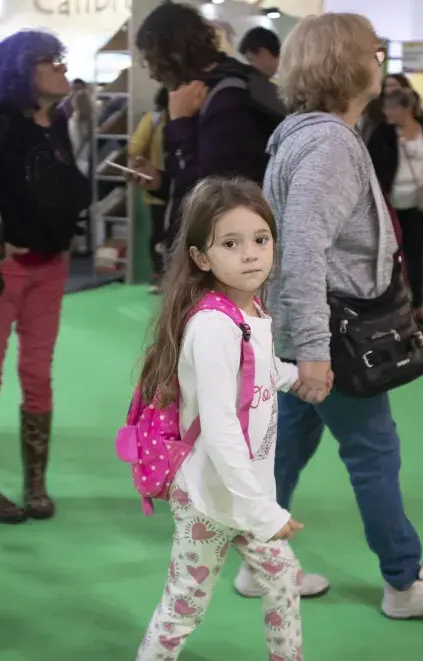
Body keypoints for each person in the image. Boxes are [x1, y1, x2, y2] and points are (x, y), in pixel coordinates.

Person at [260, 12, 423, 618]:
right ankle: (407, 582)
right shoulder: (328, 144)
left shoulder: (307, 135)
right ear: (351, 63)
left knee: (287, 446)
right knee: (373, 453)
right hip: (334, 334)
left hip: (312, 329)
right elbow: (302, 252)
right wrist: (312, 352)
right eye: (375, 52)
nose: (381, 62)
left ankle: (262, 560)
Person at [135, 176, 314, 660]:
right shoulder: (212, 327)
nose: (251, 254)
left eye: (261, 240)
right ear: (200, 257)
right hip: (209, 501)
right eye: (231, 244)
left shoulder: (248, 308)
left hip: (241, 494)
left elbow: (255, 371)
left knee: (281, 578)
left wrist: (294, 376)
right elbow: (219, 430)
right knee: (183, 609)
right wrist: (262, 511)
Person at [0, 30, 91, 524]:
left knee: (38, 375)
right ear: (22, 69)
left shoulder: (55, 122)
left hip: (49, 265)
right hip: (1, 268)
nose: (61, 68)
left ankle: (36, 484)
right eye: (50, 61)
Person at [129, 1, 285, 257]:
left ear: (171, 54)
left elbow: (215, 193)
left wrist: (180, 124)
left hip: (221, 254)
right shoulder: (223, 87)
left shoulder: (227, 98)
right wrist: (161, 180)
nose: (153, 73)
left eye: (151, 60)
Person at [366, 87, 423, 325]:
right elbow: (371, 164)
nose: (386, 112)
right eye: (385, 107)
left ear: (406, 109)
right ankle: (392, 303)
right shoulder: (382, 133)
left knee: (415, 252)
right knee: (389, 253)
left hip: (420, 201)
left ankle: (418, 303)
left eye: (391, 107)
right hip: (390, 202)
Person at [129, 86, 170, 291]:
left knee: (159, 232)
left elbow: (135, 146)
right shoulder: (156, 120)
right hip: (164, 186)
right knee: (163, 233)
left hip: (157, 187)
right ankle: (162, 275)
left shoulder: (152, 120)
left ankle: (161, 276)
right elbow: (135, 148)